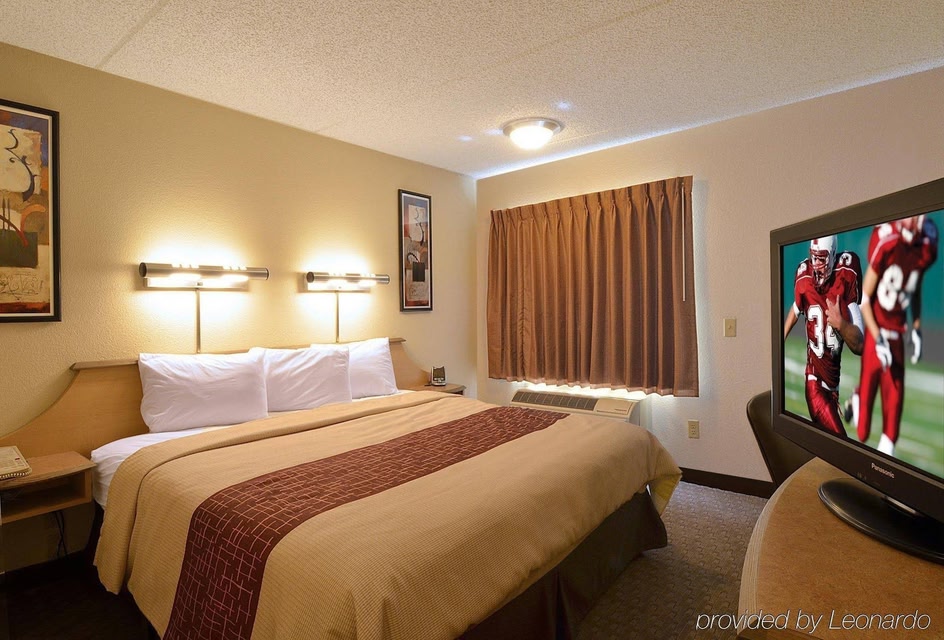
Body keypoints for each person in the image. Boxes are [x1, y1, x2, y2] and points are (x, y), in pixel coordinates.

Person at [844, 214, 939, 455]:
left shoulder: (927, 243)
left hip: (897, 337)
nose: (914, 219)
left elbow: (914, 286)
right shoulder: (887, 239)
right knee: (862, 432)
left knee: (892, 430)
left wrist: (916, 327)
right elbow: (865, 299)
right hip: (877, 333)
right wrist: (877, 339)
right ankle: (858, 397)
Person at [783, 236, 864, 436]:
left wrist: (841, 325)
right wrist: (778, 342)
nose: (816, 264)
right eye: (814, 258)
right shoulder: (804, 278)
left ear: (833, 255)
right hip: (815, 385)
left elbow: (860, 345)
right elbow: (795, 309)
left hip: (832, 388)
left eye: (821, 258)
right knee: (843, 446)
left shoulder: (845, 274)